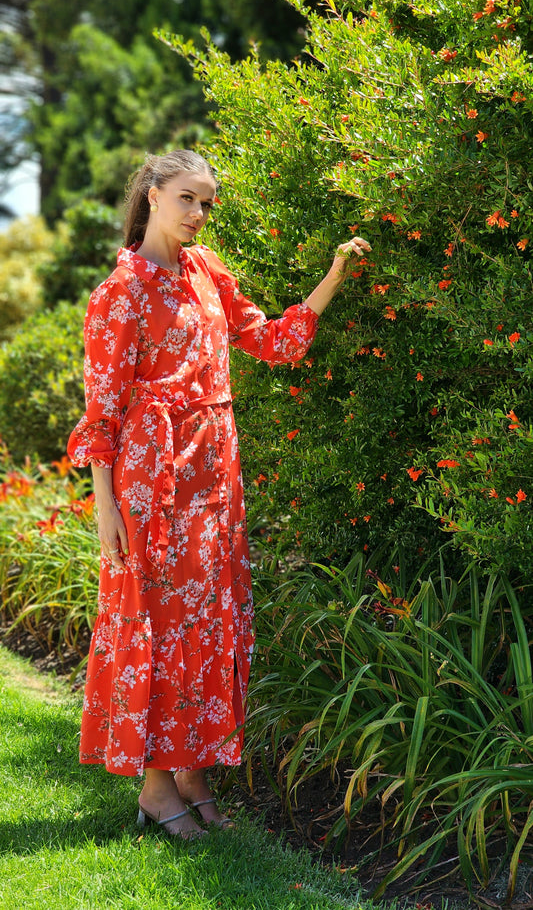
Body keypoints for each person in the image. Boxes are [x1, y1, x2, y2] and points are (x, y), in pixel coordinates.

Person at [67, 148, 371, 840]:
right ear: (150, 195)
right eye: (187, 199)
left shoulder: (205, 272)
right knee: (160, 627)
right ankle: (153, 787)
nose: (199, 213)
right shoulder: (121, 292)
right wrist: (107, 506)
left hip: (214, 476)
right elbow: (102, 414)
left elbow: (271, 340)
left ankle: (193, 775)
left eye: (207, 202)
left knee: (208, 628)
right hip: (153, 484)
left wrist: (332, 276)